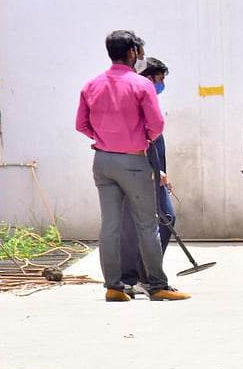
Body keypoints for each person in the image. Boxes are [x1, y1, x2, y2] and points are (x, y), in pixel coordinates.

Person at [75, 30, 190, 302]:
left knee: (110, 225)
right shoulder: (141, 84)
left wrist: (103, 138)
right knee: (147, 224)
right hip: (134, 160)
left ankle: (114, 286)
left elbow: (81, 124)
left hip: (103, 160)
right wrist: (140, 138)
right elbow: (156, 125)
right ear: (132, 52)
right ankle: (157, 285)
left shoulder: (91, 84)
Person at [119, 57, 177, 296]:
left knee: (165, 218)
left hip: (154, 171)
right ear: (149, 78)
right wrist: (153, 169)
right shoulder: (135, 102)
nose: (162, 84)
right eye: (160, 79)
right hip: (141, 171)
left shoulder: (151, 102)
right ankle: (131, 277)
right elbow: (137, 140)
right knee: (136, 224)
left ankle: (146, 275)